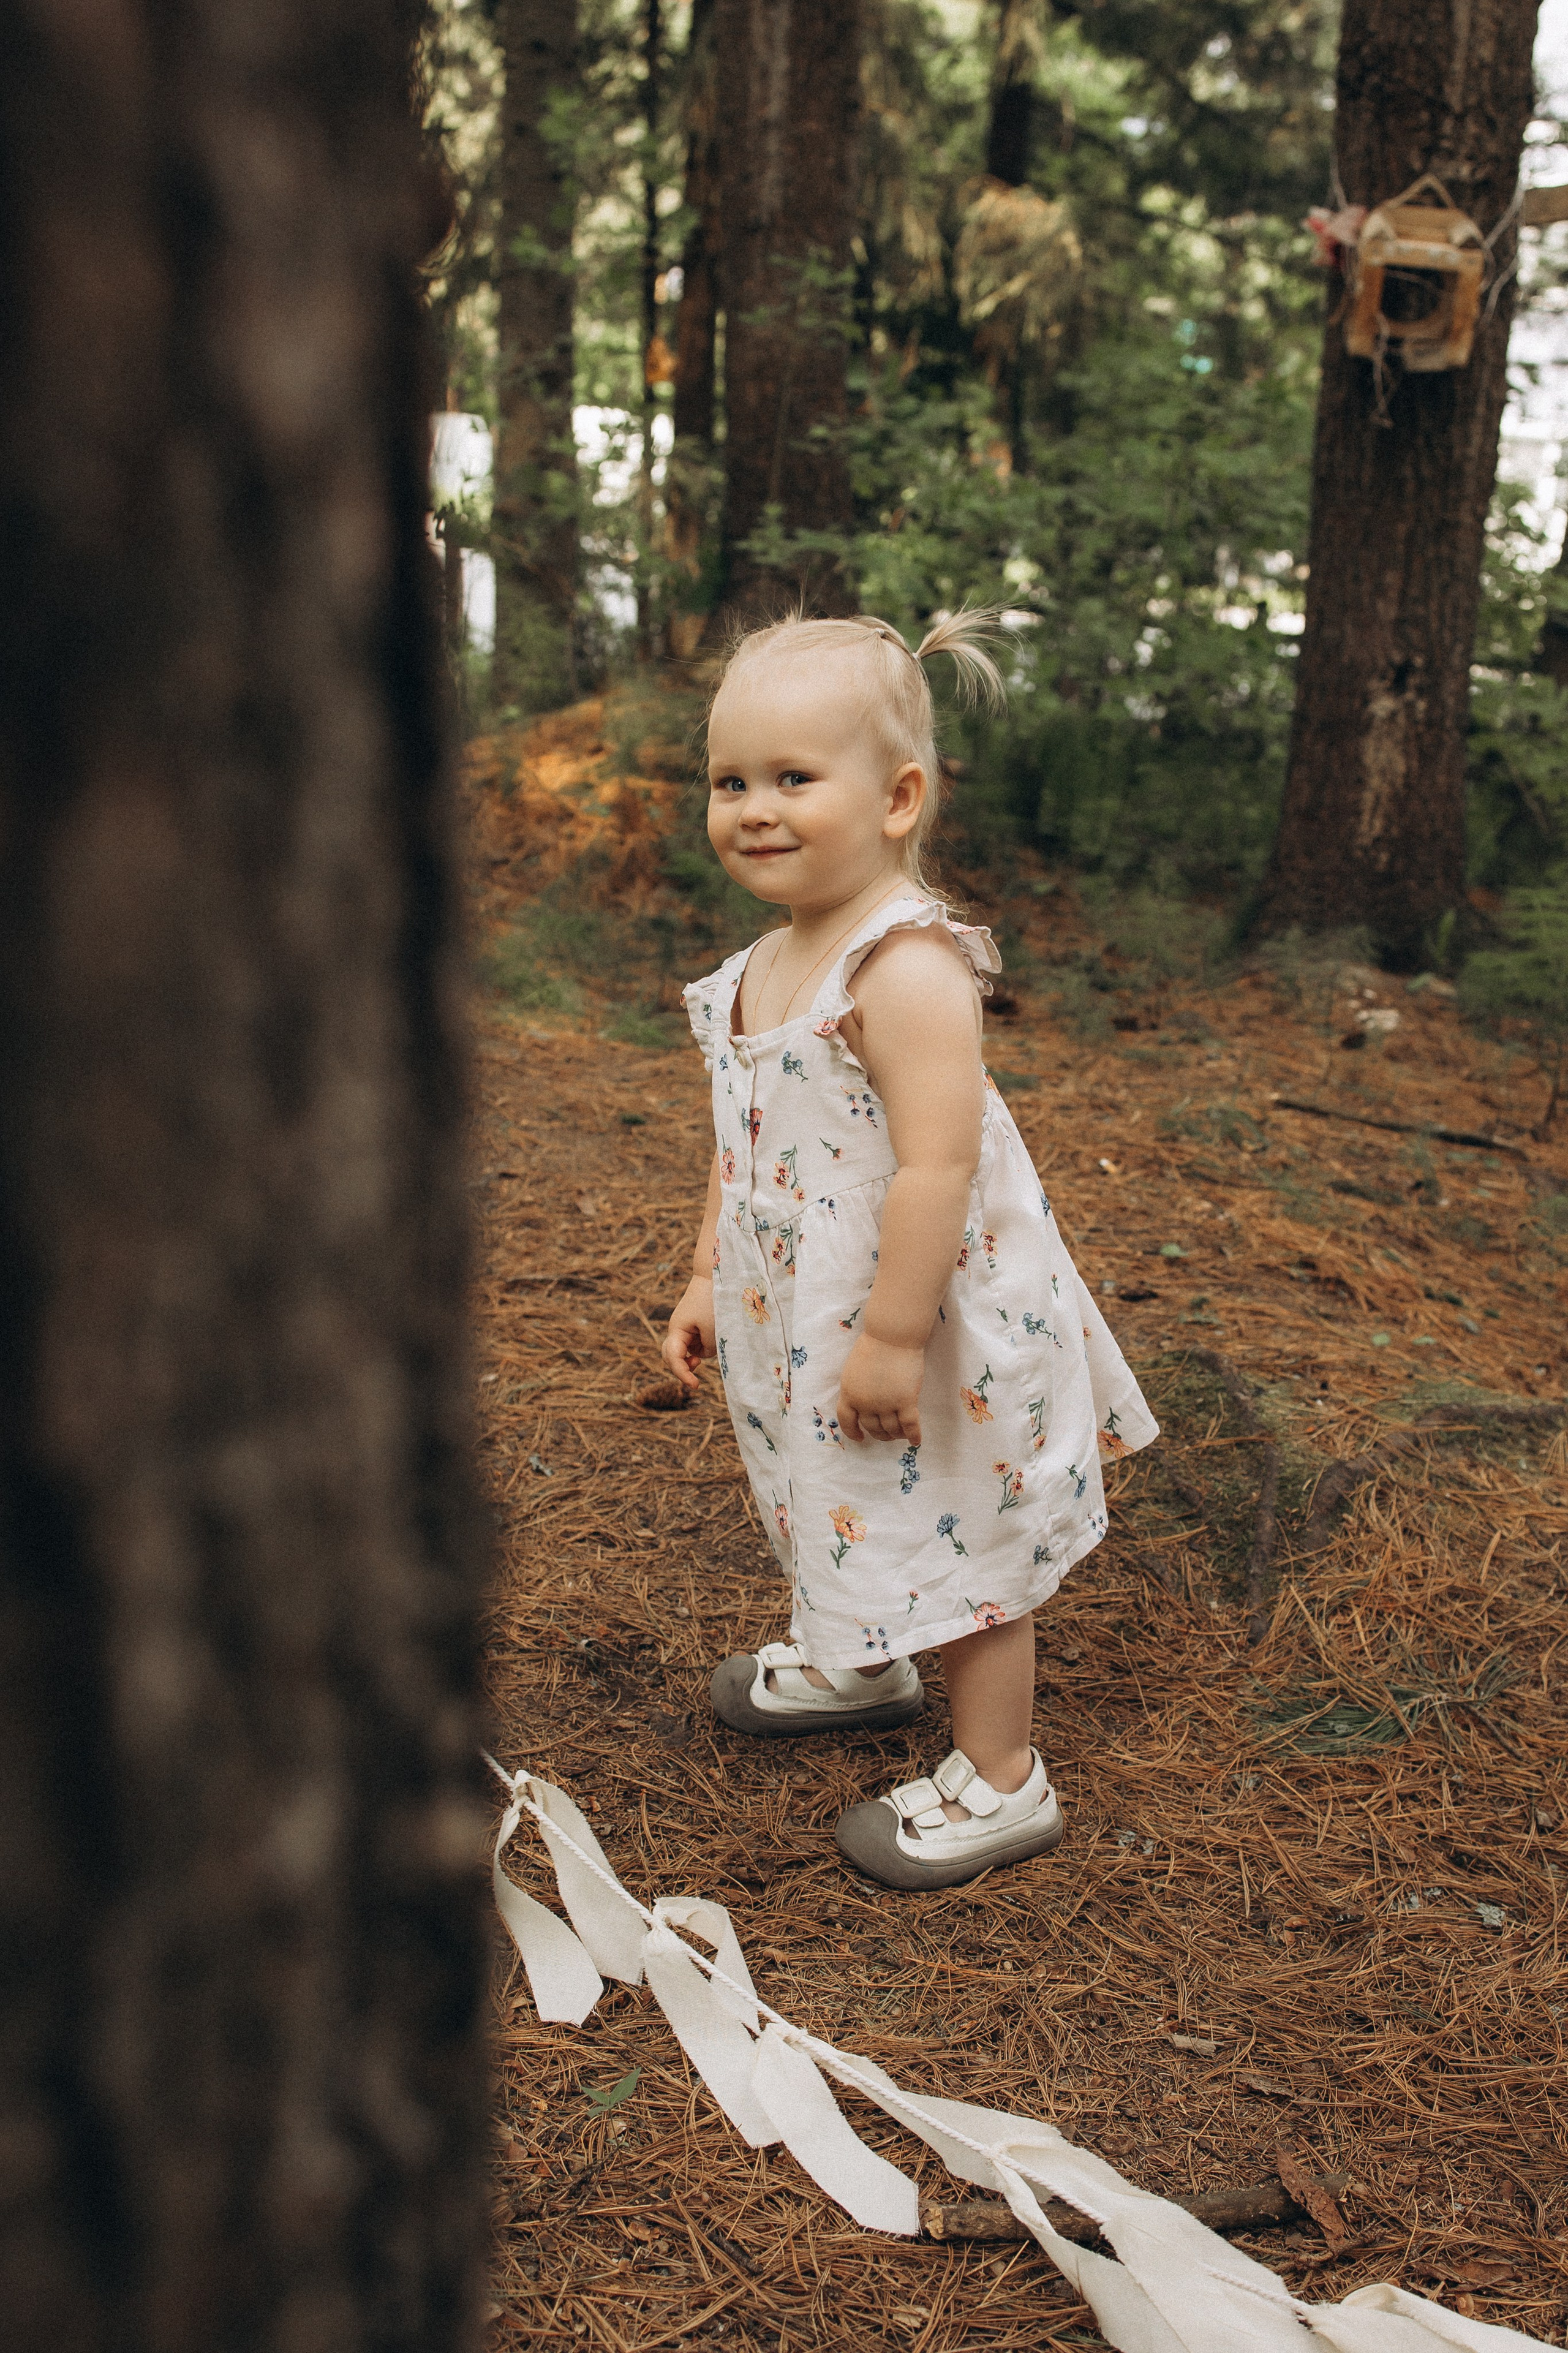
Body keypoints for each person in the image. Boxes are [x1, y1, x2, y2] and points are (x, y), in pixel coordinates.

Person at [662, 609, 1157, 1888]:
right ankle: (861, 1653)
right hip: (799, 1310)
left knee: (956, 1519)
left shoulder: (907, 968)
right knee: (822, 1489)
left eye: (791, 778)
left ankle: (1002, 1777)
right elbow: (745, 1143)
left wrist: (890, 1334)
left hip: (922, 1316)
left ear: (896, 798)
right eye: (730, 781)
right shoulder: (760, 965)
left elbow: (937, 1167)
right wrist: (705, 1273)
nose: (753, 810)